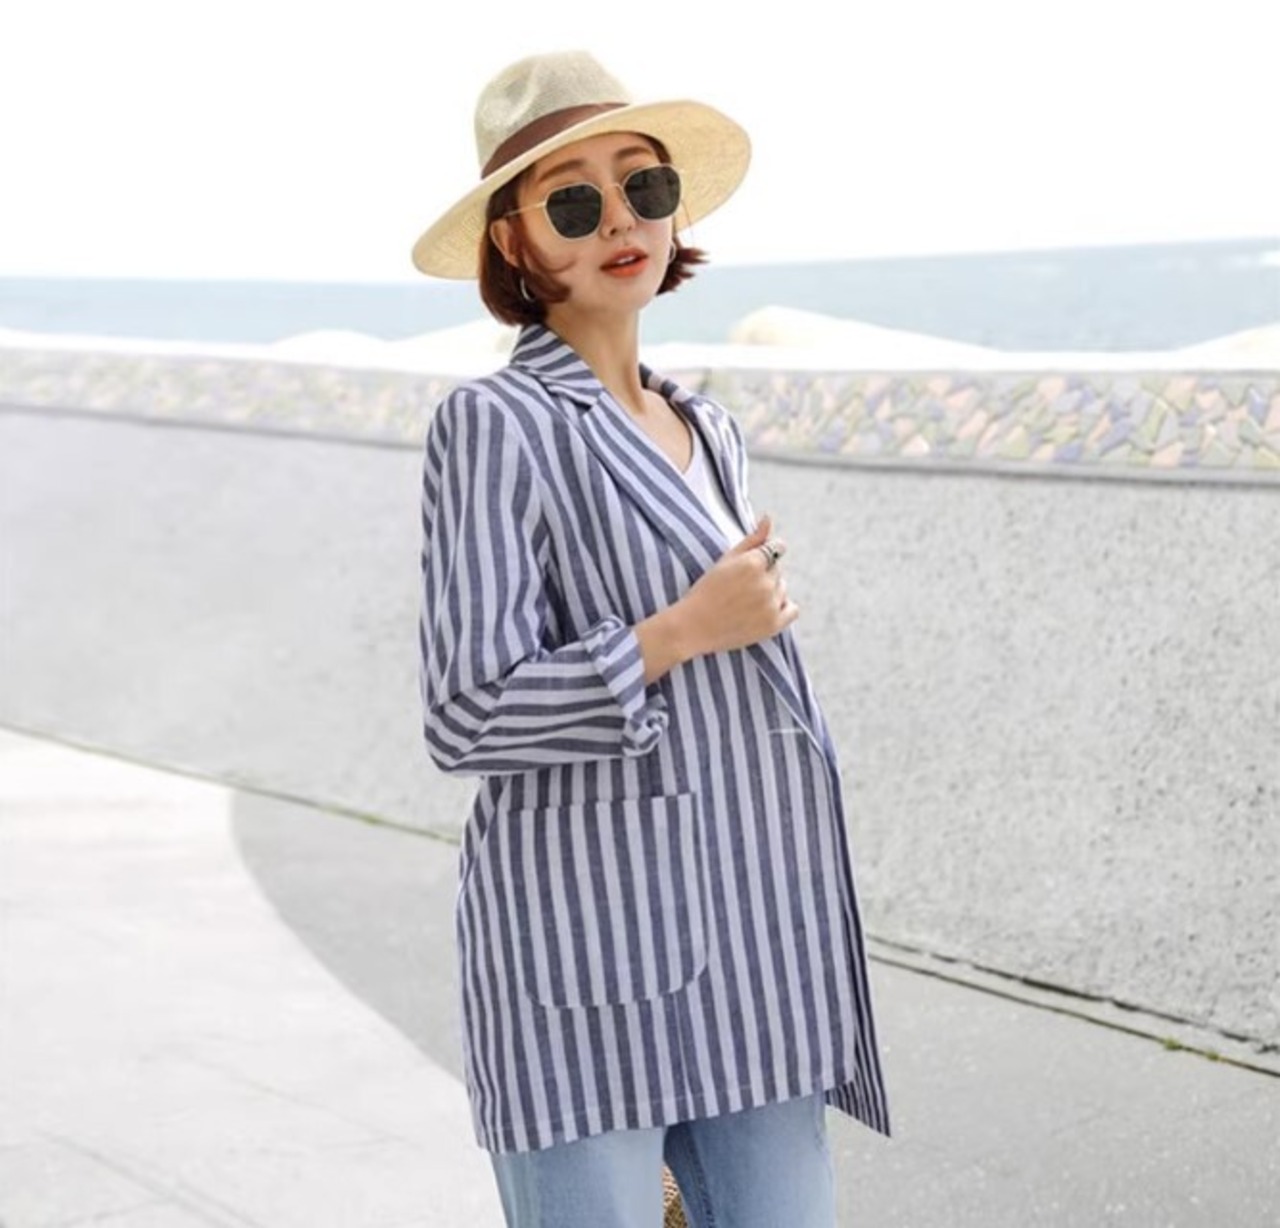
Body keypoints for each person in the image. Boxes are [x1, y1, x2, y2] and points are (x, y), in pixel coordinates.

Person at [411, 49, 890, 1228]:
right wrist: (679, 629)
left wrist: (735, 618)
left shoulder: (704, 425)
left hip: (755, 938)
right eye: (572, 202)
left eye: (644, 184)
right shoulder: (494, 423)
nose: (620, 219)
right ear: (514, 241)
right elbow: (465, 713)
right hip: (588, 948)